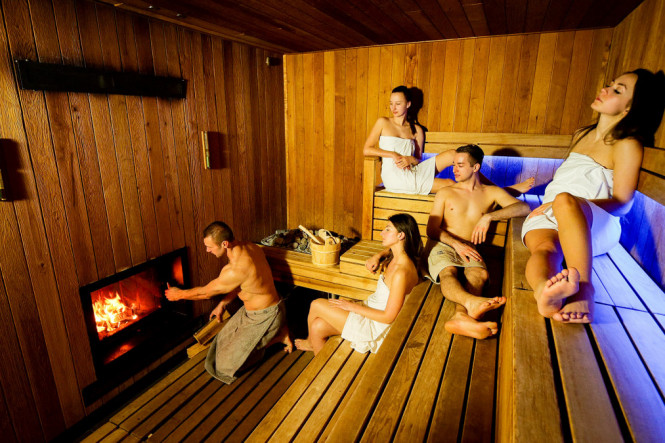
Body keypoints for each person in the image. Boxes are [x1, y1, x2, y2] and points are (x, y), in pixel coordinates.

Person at [522, 69, 665, 324]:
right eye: (610, 84)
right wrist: (552, 205)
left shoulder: (626, 144)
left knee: (565, 200)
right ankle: (544, 291)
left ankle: (585, 288)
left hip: (596, 220)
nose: (605, 89)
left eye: (617, 90)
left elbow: (623, 203)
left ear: (629, 108)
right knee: (544, 249)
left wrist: (566, 204)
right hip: (551, 210)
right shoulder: (581, 134)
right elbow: (566, 180)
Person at [165, 221, 292, 383]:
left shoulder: (236, 269)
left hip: (267, 315)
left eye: (210, 247)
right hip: (254, 311)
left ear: (224, 244)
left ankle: (278, 336)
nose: (207, 250)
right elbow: (242, 284)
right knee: (219, 344)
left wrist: (179, 294)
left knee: (224, 367)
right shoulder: (249, 247)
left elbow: (206, 293)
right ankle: (276, 333)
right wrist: (222, 304)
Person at [426, 144, 530, 339]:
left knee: (480, 274)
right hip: (444, 243)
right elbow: (431, 229)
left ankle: (461, 315)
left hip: (470, 246)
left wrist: (489, 217)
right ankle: (471, 303)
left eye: (460, 165)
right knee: (449, 271)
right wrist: (456, 244)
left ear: (475, 167)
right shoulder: (446, 193)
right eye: (454, 164)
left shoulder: (492, 192)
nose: (454, 169)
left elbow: (523, 208)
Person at [362, 85, 534, 195]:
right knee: (452, 184)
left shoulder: (417, 131)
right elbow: (367, 149)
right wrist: (393, 154)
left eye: (398, 103)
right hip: (396, 178)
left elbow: (418, 160)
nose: (393, 108)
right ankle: (504, 192)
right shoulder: (383, 122)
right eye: (391, 103)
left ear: (408, 104)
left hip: (414, 171)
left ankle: (499, 190)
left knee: (454, 154)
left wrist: (409, 159)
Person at [294, 213, 422, 355]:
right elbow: (392, 249)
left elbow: (388, 317)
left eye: (388, 229)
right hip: (370, 309)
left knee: (316, 304)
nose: (382, 233)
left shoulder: (401, 273)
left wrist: (352, 306)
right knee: (317, 327)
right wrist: (378, 256)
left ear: (401, 235)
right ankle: (320, 366)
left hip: (376, 328)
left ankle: (310, 343)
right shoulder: (398, 257)